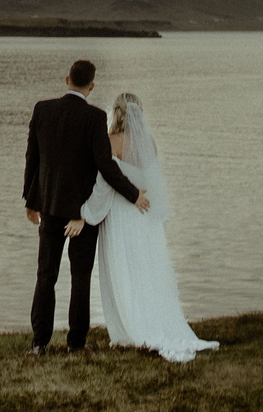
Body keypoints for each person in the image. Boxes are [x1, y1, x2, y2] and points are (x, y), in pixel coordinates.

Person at [80, 92, 219, 362]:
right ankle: (155, 319)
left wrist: (85, 212)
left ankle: (128, 328)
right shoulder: (149, 143)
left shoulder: (111, 142)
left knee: (124, 268)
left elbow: (106, 182)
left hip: (121, 215)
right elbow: (151, 181)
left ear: (115, 113)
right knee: (146, 269)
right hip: (144, 216)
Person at [22, 58, 145, 355]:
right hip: (83, 213)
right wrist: (134, 194)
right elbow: (105, 166)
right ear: (91, 86)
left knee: (45, 275)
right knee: (80, 277)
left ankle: (39, 343)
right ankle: (75, 343)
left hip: (49, 208)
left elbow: (32, 159)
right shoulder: (94, 117)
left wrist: (31, 200)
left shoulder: (42, 109)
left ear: (67, 80)